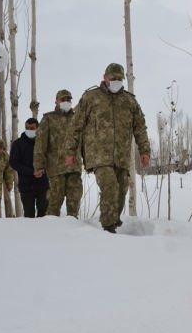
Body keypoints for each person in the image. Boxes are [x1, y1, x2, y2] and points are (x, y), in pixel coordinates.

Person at [63, 63, 150, 233]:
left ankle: (113, 220)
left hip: (122, 156)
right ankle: (108, 228)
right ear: (105, 77)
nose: (116, 81)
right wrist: (69, 151)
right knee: (109, 186)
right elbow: (75, 126)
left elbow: (140, 127)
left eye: (119, 78)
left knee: (121, 190)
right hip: (98, 156)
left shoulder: (129, 101)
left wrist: (145, 150)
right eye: (113, 78)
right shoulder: (91, 97)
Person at [34, 89, 82, 218]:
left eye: (68, 100)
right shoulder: (49, 119)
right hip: (56, 169)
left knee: (74, 202)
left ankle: (74, 232)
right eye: (63, 99)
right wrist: (38, 166)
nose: (66, 102)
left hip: (74, 167)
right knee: (54, 203)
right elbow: (40, 144)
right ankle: (52, 233)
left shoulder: (77, 118)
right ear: (56, 101)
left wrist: (89, 162)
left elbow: (84, 142)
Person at [10, 118, 49, 218]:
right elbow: (13, 162)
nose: (29, 130)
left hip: (43, 184)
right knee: (29, 215)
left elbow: (51, 159)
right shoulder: (17, 144)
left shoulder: (44, 143)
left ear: (38, 128)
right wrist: (31, 172)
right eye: (27, 128)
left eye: (32, 128)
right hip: (26, 185)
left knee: (44, 214)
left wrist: (43, 170)